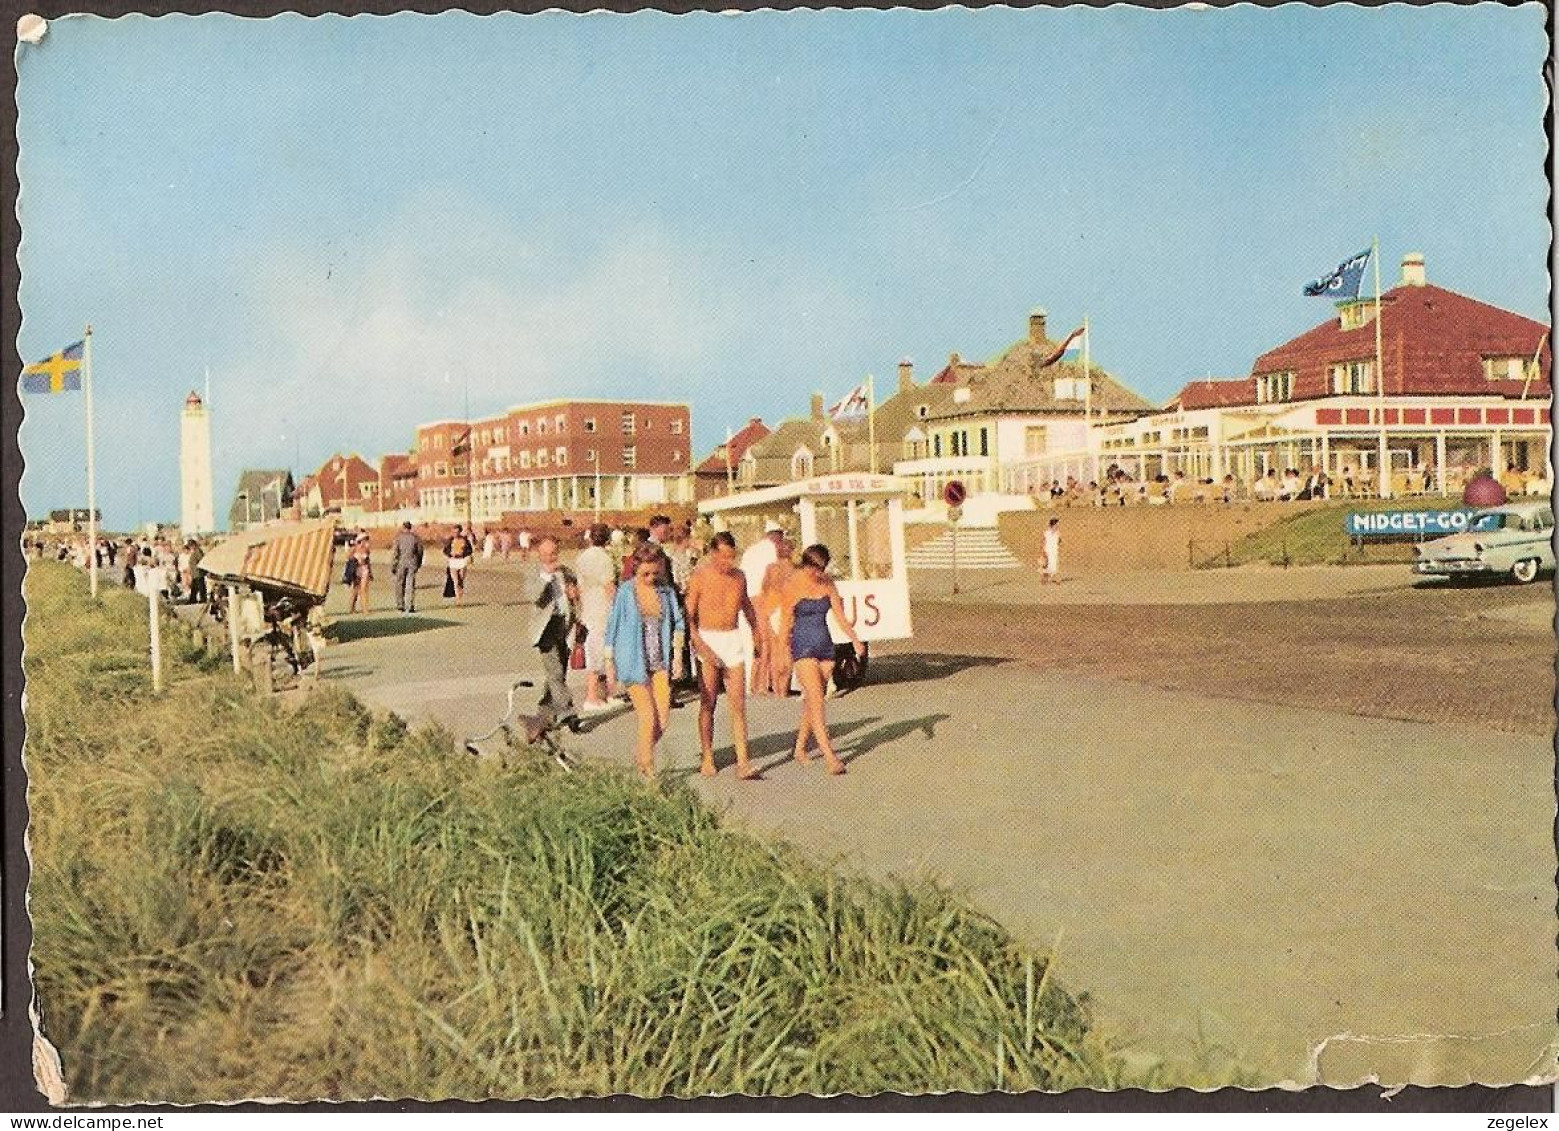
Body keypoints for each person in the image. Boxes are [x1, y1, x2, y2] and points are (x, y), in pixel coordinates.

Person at [777, 544, 864, 777]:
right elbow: (785, 625)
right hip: (802, 646)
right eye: (815, 569)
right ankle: (830, 756)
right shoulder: (792, 585)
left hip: (825, 645)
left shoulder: (827, 583)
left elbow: (840, 616)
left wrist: (855, 640)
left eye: (822, 569)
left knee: (813, 702)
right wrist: (782, 655)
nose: (818, 574)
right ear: (806, 565)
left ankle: (799, 748)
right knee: (816, 698)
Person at [685, 532, 761, 780]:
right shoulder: (700, 576)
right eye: (724, 557)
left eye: (733, 557)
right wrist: (698, 643)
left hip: (732, 638)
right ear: (713, 554)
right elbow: (689, 616)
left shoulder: (739, 577)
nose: (729, 562)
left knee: (738, 704)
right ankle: (707, 755)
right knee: (709, 703)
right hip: (708, 638)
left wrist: (757, 633)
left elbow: (747, 607)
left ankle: (743, 762)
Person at [603, 544, 684, 778]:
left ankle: (641, 752)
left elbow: (678, 623)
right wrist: (609, 662)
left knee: (663, 720)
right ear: (636, 569)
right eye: (645, 574)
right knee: (647, 717)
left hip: (660, 663)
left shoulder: (666, 592)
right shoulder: (626, 592)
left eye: (655, 573)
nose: (650, 578)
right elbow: (612, 626)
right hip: (632, 662)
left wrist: (677, 655)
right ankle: (648, 771)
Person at [526, 536, 582, 735]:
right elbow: (533, 597)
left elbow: (575, 594)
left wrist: (575, 596)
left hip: (564, 624)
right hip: (546, 627)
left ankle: (543, 713)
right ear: (540, 555)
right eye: (547, 554)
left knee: (558, 672)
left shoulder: (566, 572)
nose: (551, 558)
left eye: (554, 553)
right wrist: (546, 578)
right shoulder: (535, 573)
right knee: (555, 671)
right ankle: (569, 713)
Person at [575, 523, 618, 712]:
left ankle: (603, 694)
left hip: (587, 608)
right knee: (603, 654)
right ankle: (593, 696)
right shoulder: (605, 559)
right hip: (603, 609)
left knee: (594, 652)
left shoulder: (582, 558)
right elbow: (609, 587)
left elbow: (579, 586)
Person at [740, 521, 784, 691]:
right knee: (767, 641)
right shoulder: (772, 550)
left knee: (758, 641)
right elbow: (772, 577)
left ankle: (757, 682)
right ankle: (764, 684)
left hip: (748, 597)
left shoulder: (752, 550)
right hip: (762, 597)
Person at [756, 538, 796, 696]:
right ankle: (783, 688)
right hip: (785, 608)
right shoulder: (794, 570)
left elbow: (764, 589)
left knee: (775, 649)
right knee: (786, 648)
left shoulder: (772, 568)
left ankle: (777, 687)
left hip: (772, 608)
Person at [389, 522, 423, 613]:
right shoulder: (416, 538)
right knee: (411, 584)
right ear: (410, 528)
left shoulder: (399, 538)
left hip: (401, 562)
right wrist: (418, 563)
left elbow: (396, 553)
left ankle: (400, 605)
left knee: (400, 584)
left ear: (403, 527)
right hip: (412, 562)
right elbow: (420, 551)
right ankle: (411, 605)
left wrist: (393, 565)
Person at [444, 524, 474, 605]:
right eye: (454, 532)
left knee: (460, 581)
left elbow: (469, 550)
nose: (455, 533)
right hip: (453, 561)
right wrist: (450, 555)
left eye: (457, 532)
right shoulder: (450, 540)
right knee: (456, 582)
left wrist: (465, 555)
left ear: (460, 532)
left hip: (462, 561)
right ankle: (458, 600)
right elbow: (445, 550)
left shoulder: (464, 540)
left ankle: (460, 596)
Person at [347, 536, 373, 614]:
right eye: (363, 540)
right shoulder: (354, 549)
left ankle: (365, 609)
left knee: (364, 590)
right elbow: (348, 558)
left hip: (365, 569)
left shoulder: (366, 549)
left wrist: (370, 572)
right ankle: (352, 608)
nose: (365, 542)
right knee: (355, 590)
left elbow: (368, 561)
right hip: (356, 569)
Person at [1041, 518, 1061, 584]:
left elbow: (1059, 541)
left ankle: (1056, 579)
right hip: (1048, 551)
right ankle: (1044, 579)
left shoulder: (1057, 533)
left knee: (1054, 565)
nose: (1058, 526)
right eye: (1057, 524)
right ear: (1053, 525)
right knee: (1046, 565)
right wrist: (1043, 551)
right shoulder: (1046, 533)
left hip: (1054, 551)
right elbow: (1043, 542)